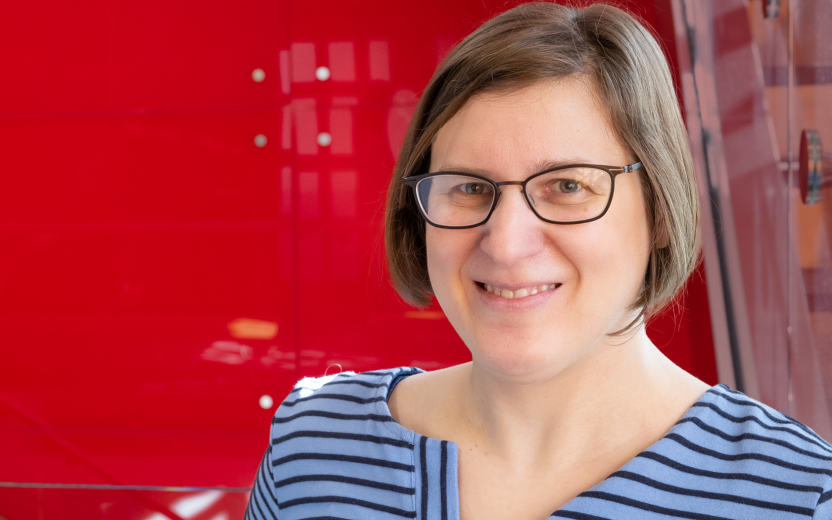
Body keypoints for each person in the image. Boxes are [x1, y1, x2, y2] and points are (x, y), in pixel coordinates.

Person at [245, 3, 832, 519]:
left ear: (657, 208)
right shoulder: (312, 448)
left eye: (568, 186)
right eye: (469, 187)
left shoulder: (799, 495)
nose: (504, 243)